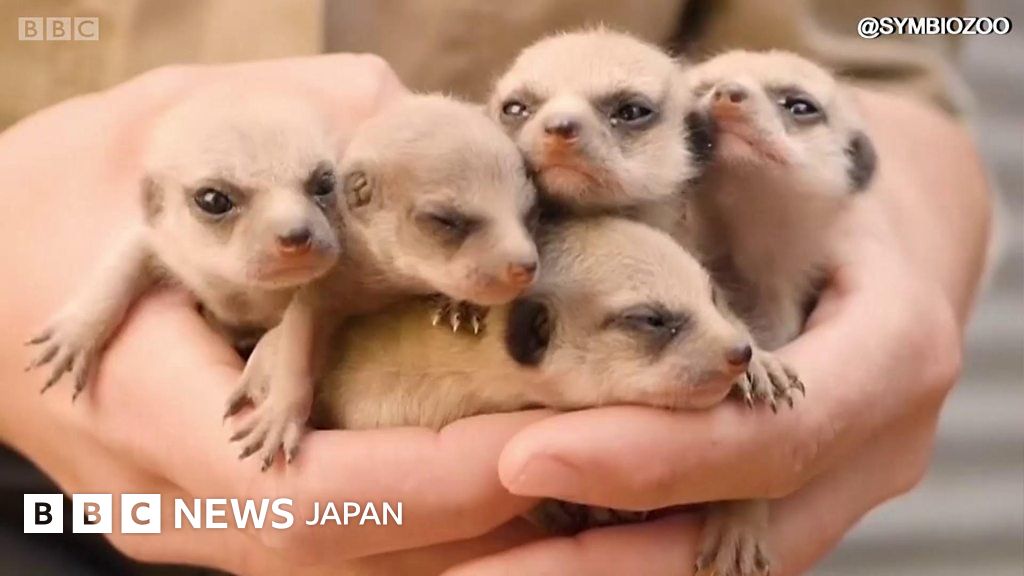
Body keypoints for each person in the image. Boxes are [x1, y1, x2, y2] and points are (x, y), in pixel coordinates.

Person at [0, 1, 991, 574]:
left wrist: (904, 252)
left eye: (626, 112)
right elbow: (320, 295)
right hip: (37, 497)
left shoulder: (682, 231)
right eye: (521, 112)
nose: (556, 130)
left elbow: (872, 59)